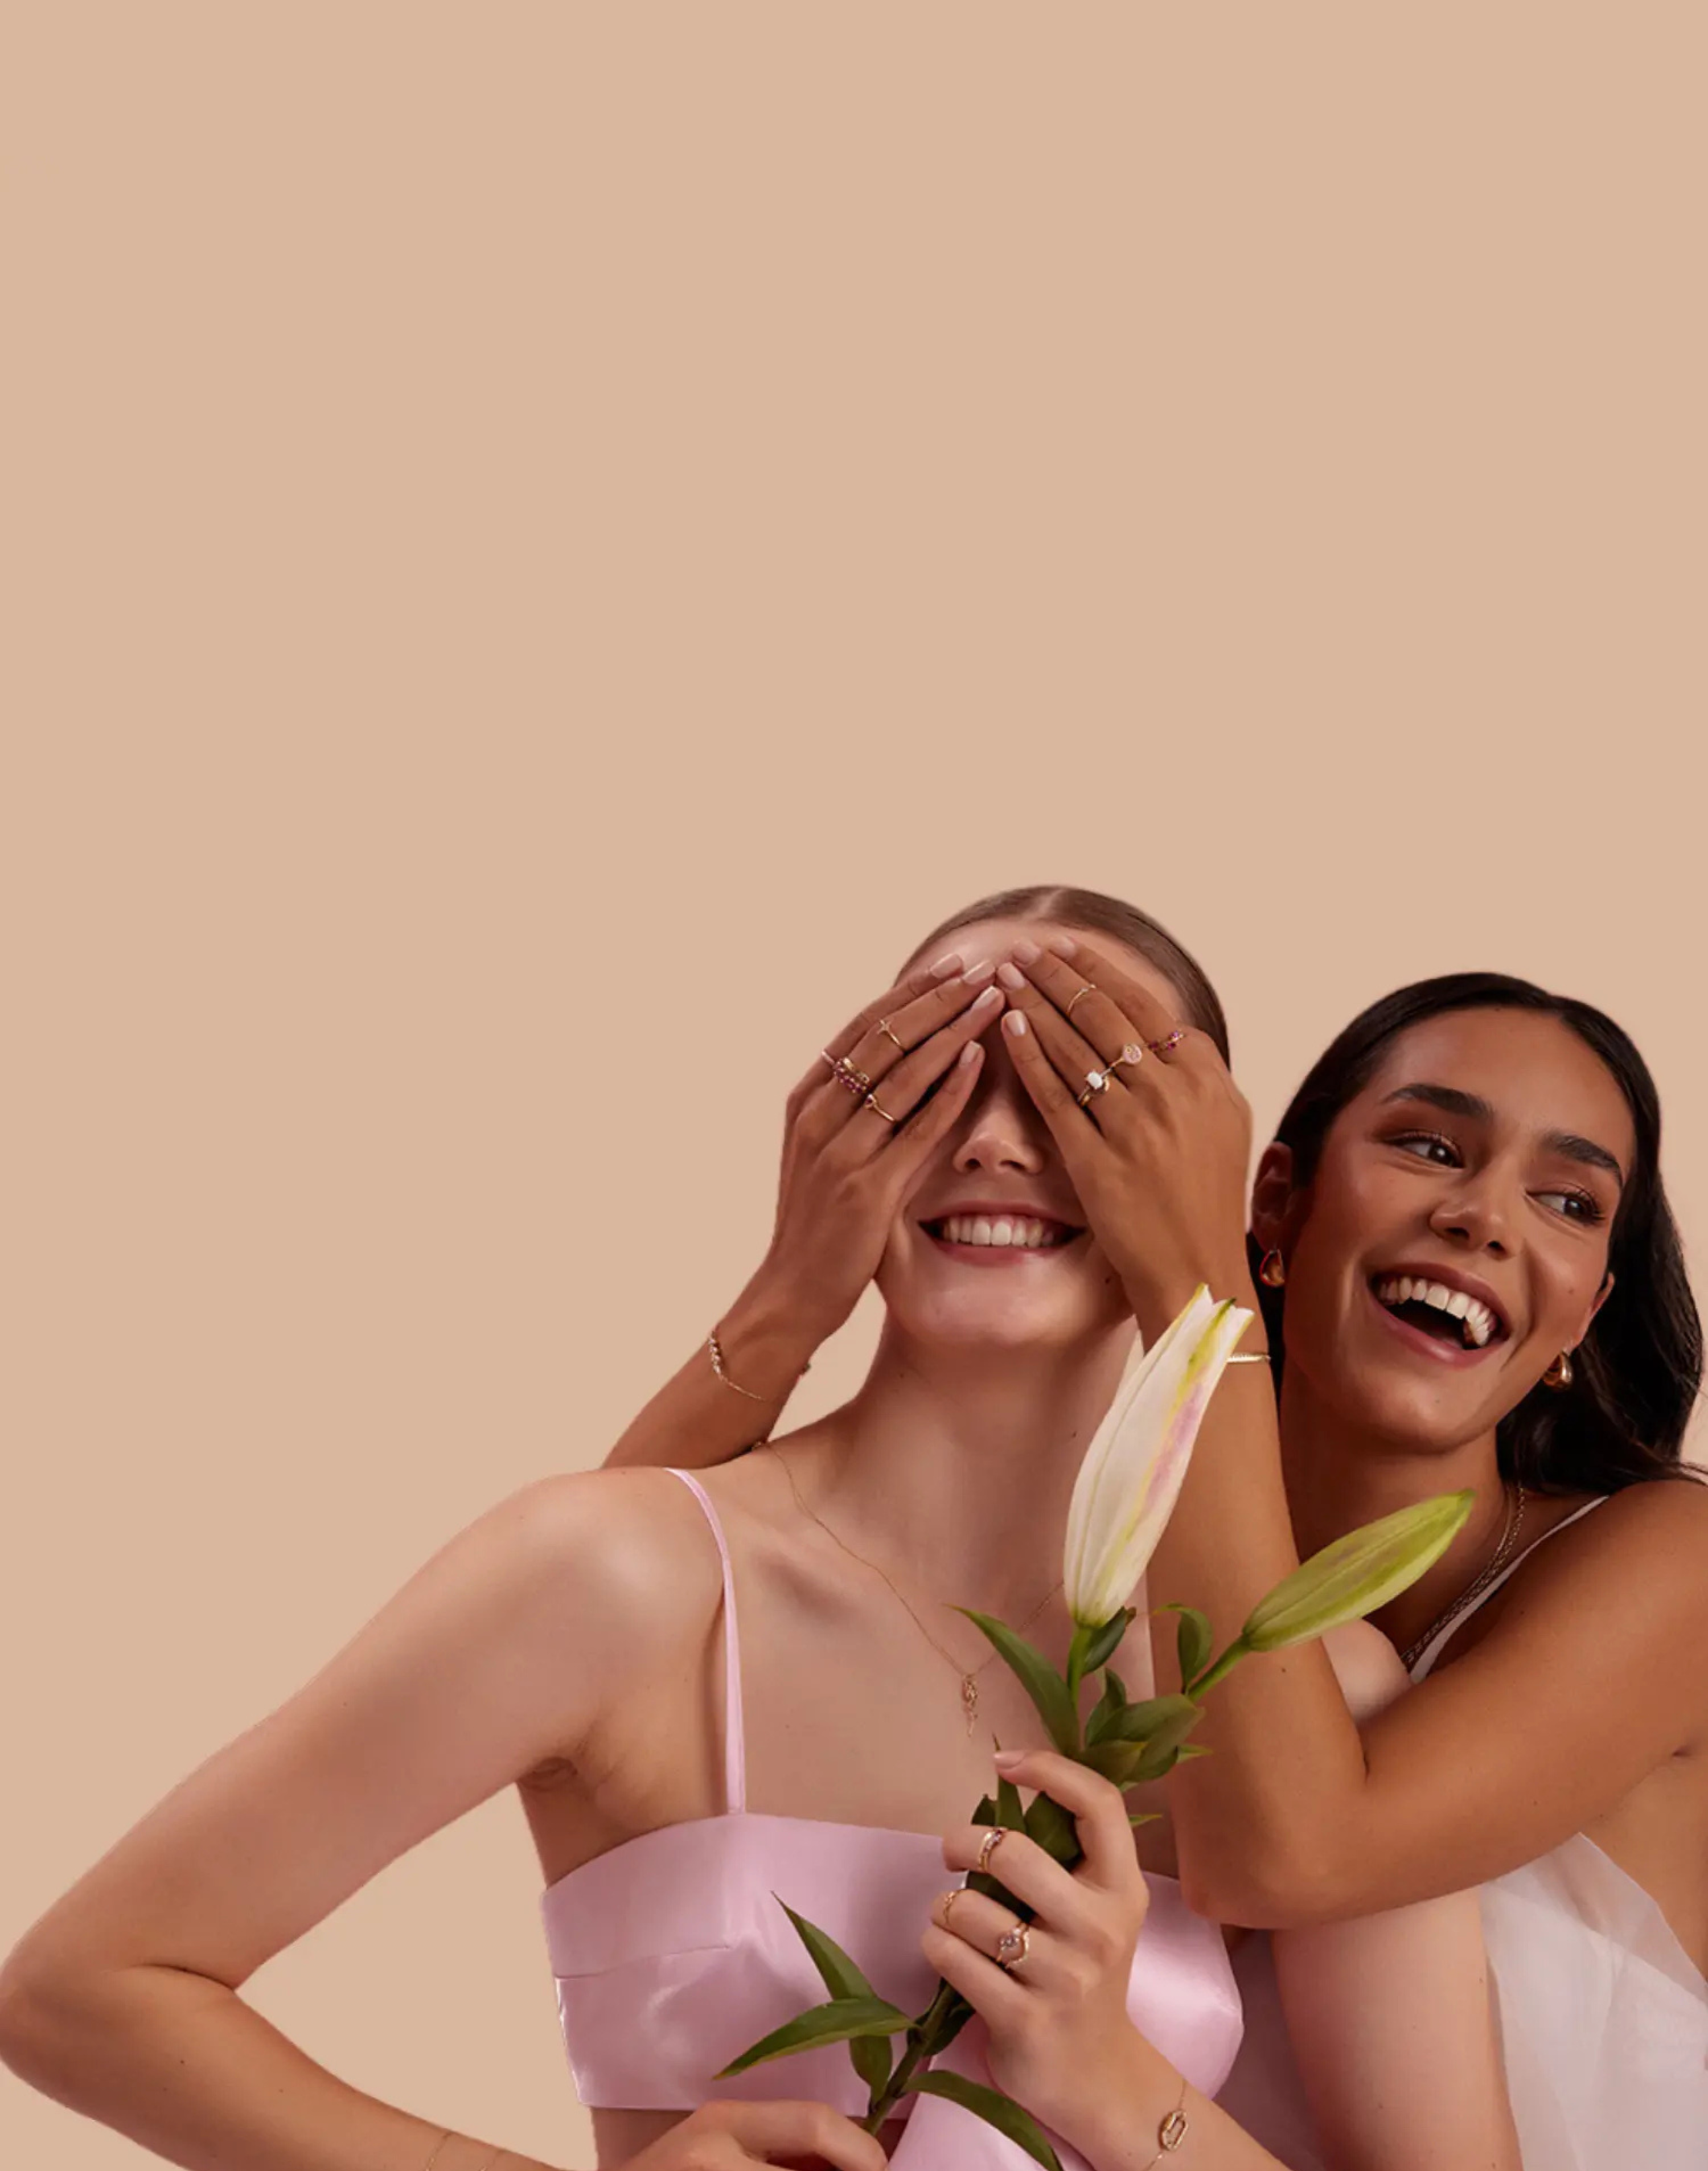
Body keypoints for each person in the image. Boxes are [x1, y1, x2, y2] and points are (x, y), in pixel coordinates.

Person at [0, 889, 1517, 2171]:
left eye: (1084, 1089)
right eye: (932, 1076)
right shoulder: (616, 1575)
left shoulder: (1306, 1703)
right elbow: (83, 1991)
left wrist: (1124, 2089)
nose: (997, 1140)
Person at [611, 886, 1708, 2165]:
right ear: (1279, 1201)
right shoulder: (1122, 1531)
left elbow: (1288, 1855)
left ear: (1587, 1313)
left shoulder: (1669, 1563)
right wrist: (799, 1288)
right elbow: (637, 1616)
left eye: (1571, 1203)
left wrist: (1194, 1279)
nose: (1485, 1218)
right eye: (1429, 1146)